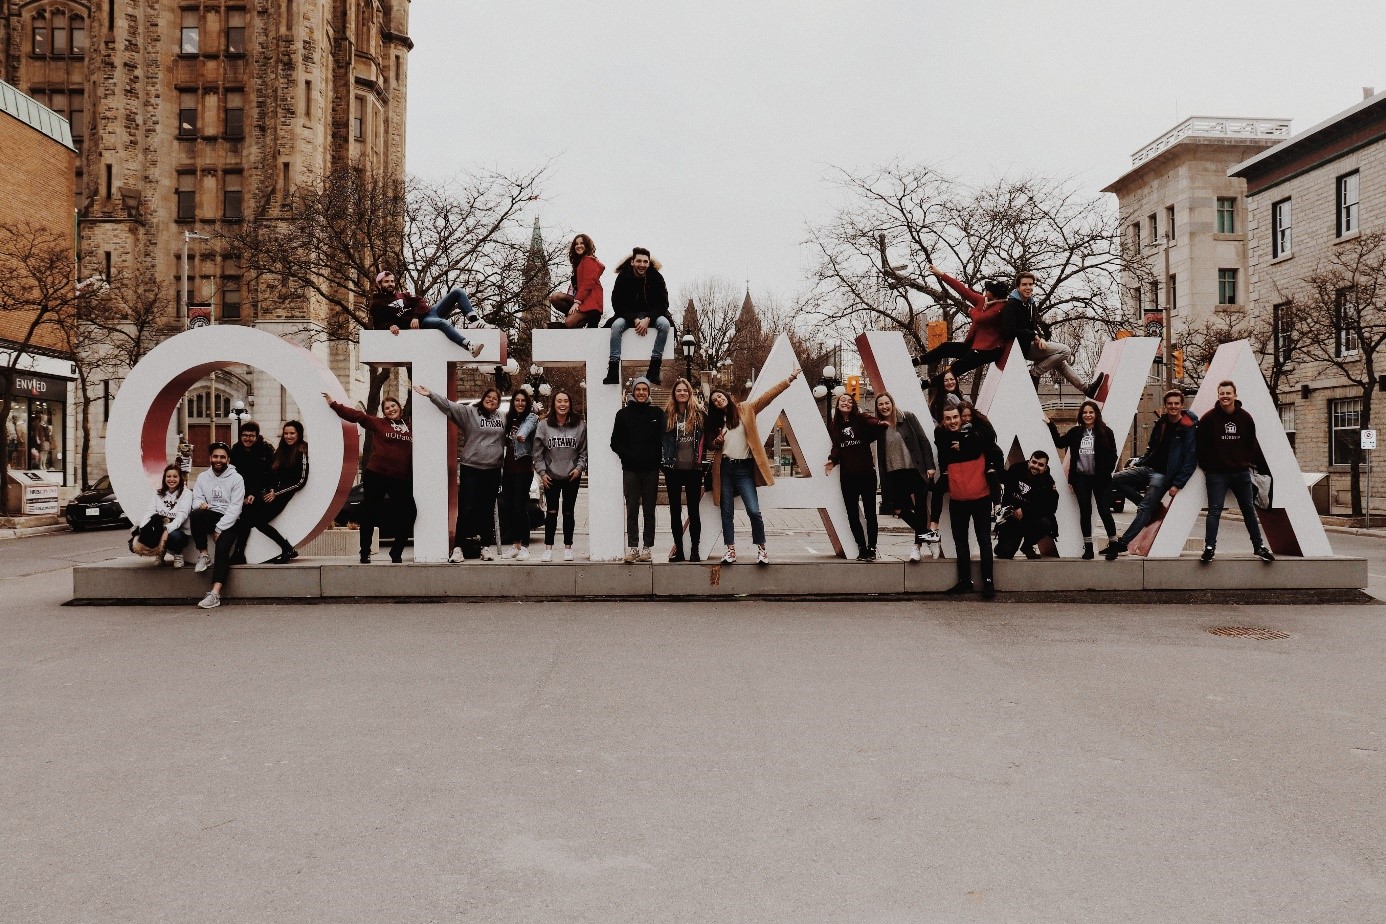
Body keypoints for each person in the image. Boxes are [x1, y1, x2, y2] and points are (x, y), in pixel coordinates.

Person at [707, 369, 801, 565]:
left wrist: (788, 379)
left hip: (744, 470)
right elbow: (710, 445)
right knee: (726, 512)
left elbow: (768, 397)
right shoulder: (716, 422)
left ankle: (762, 550)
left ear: (727, 396)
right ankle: (731, 551)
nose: (718, 400)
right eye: (714, 400)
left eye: (720, 396)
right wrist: (716, 441)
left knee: (753, 510)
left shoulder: (746, 409)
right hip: (725, 468)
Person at [414, 383, 506, 562]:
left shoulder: (503, 417)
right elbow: (449, 406)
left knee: (487, 510)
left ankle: (486, 547)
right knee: (467, 508)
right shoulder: (470, 413)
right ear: (483, 398)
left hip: (493, 470)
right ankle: (458, 548)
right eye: (488, 397)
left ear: (498, 403)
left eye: (495, 399)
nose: (491, 400)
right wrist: (431, 394)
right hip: (471, 468)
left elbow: (521, 419)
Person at [1104, 389, 1199, 560]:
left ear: (1182, 405)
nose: (1173, 406)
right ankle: (1147, 506)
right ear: (1165, 405)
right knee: (1112, 480)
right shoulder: (1162, 422)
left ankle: (1122, 543)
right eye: (1170, 403)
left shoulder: (1188, 428)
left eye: (1176, 403)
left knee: (1143, 510)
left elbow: (1190, 460)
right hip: (1147, 468)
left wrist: (1178, 484)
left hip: (1163, 475)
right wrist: (1140, 462)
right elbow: (1151, 447)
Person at [326, 392, 414, 564]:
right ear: (384, 412)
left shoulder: (410, 427)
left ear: (399, 408)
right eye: (387, 408)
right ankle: (365, 551)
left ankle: (396, 551)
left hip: (399, 478)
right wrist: (333, 404)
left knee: (410, 512)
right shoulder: (379, 423)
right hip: (377, 474)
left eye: (393, 406)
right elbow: (357, 416)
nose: (390, 409)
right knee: (369, 513)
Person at [1196, 380, 1274, 563]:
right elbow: (1199, 446)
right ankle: (1209, 548)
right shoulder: (1208, 418)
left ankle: (1258, 546)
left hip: (1240, 473)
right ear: (1218, 395)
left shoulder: (1245, 418)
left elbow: (1251, 445)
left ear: (1235, 395)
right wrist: (1208, 466)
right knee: (1214, 511)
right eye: (1221, 393)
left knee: (1248, 510)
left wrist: (1244, 462)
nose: (1225, 396)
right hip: (1216, 474)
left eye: (1228, 393)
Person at [1001, 271, 1106, 397]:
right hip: (1019, 348)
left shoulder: (1029, 304)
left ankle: (1087, 389)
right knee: (1065, 351)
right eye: (1024, 284)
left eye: (1030, 284)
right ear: (1017, 287)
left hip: (1029, 344)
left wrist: (1041, 339)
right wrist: (1033, 336)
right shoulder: (1011, 305)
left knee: (1059, 362)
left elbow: (1036, 324)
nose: (1028, 287)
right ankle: (1034, 373)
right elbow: (1009, 331)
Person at [935, 404, 1001, 598]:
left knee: (984, 541)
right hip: (957, 499)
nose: (952, 421)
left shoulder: (976, 434)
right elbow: (941, 438)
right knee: (960, 543)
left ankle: (988, 583)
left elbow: (988, 435)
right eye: (948, 418)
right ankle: (965, 582)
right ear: (943, 421)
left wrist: (965, 441)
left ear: (962, 418)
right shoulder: (943, 437)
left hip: (981, 497)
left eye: (955, 417)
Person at [825, 392, 888, 560]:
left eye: (848, 400)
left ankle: (872, 548)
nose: (845, 402)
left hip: (867, 474)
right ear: (837, 405)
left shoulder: (860, 419)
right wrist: (832, 460)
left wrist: (880, 423)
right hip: (847, 477)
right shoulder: (834, 426)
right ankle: (862, 547)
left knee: (870, 514)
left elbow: (873, 423)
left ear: (853, 404)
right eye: (842, 400)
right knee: (852, 514)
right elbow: (837, 446)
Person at [873, 393, 935, 562]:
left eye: (887, 403)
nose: (884, 407)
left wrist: (930, 465)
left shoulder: (907, 417)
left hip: (914, 469)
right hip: (894, 473)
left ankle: (917, 547)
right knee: (899, 509)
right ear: (877, 408)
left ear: (892, 403)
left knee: (921, 507)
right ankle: (928, 535)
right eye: (880, 404)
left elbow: (923, 441)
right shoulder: (879, 426)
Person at [1052, 400, 1119, 559]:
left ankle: (1114, 546)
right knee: (1085, 511)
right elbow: (1059, 443)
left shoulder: (1106, 431)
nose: (1088, 415)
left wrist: (1106, 472)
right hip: (1081, 478)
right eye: (1085, 413)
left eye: (1091, 412)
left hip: (1101, 479)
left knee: (1104, 511)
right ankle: (1088, 547)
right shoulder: (1076, 432)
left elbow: (1113, 455)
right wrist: (1051, 425)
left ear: (1096, 414)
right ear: (1081, 416)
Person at [913, 267, 1008, 378]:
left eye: (988, 291)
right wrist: (941, 274)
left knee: (957, 368)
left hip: (987, 349)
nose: (985, 293)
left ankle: (928, 384)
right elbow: (963, 290)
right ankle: (916, 361)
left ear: (995, 295)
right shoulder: (983, 301)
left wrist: (971, 311)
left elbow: (979, 318)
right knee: (945, 347)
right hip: (972, 345)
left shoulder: (1000, 307)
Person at [611, 376, 665, 562]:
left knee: (649, 510)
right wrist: (628, 456)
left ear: (649, 392)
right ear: (633, 391)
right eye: (638, 389)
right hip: (631, 470)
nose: (641, 392)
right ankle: (633, 547)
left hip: (651, 469)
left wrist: (657, 460)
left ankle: (647, 547)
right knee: (632, 509)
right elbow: (615, 442)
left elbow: (663, 440)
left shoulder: (657, 413)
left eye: (644, 389)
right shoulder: (623, 414)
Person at [370, 270, 484, 358]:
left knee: (458, 292)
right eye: (386, 282)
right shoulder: (377, 304)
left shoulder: (402, 295)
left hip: (429, 312)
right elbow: (378, 324)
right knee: (442, 323)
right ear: (379, 284)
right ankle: (468, 345)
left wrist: (415, 316)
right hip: (423, 322)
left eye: (392, 281)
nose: (390, 284)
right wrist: (390, 326)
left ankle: (474, 320)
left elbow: (421, 301)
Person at [239, 421, 308, 564]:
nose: (288, 436)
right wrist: (267, 489)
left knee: (259, 521)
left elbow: (300, 481)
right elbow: (271, 474)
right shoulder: (281, 451)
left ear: (299, 434)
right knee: (247, 512)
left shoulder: (301, 451)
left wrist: (277, 492)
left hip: (282, 496)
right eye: (286, 433)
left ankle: (287, 548)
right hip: (271, 493)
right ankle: (239, 552)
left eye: (292, 433)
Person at [533, 390, 587, 562]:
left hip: (572, 474)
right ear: (553, 404)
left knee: (569, 512)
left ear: (570, 404)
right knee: (551, 511)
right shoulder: (543, 425)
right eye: (559, 401)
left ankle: (568, 548)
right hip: (551, 476)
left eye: (566, 401)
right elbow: (537, 452)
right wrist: (542, 472)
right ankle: (548, 548)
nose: (562, 404)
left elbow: (583, 451)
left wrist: (579, 468)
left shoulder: (579, 425)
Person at [190, 441, 245, 609]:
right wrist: (200, 504)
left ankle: (215, 593)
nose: (218, 460)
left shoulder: (236, 478)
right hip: (211, 514)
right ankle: (204, 554)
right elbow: (196, 498)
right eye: (215, 456)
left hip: (231, 520)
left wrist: (219, 529)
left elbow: (236, 508)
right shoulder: (202, 477)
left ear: (228, 459)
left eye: (222, 457)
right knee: (196, 514)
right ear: (210, 458)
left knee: (222, 548)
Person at [604, 247, 672, 385]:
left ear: (649, 263)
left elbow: (663, 304)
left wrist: (648, 319)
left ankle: (654, 369)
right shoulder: (623, 277)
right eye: (639, 261)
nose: (642, 264)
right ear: (632, 262)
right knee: (616, 326)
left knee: (665, 325)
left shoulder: (656, 277)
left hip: (651, 316)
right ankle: (613, 369)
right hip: (628, 315)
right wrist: (634, 319)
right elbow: (617, 303)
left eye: (645, 262)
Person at [662, 377, 706, 562]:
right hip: (673, 469)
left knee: (694, 511)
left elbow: (709, 437)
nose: (682, 393)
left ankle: (694, 550)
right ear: (674, 394)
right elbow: (659, 441)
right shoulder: (667, 415)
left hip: (693, 469)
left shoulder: (699, 414)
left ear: (690, 393)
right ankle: (679, 550)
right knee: (675, 511)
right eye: (679, 390)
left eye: (685, 391)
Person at [994, 451, 1060, 560]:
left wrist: (1025, 511)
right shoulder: (1016, 469)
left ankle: (1027, 546)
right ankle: (1003, 545)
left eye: (1040, 464)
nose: (1036, 466)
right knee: (1005, 553)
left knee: (1046, 523)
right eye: (1034, 462)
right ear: (1029, 461)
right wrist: (1013, 510)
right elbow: (1007, 496)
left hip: (1030, 519)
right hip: (1011, 515)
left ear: (1045, 468)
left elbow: (1050, 508)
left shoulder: (1048, 482)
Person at [500, 389, 539, 560]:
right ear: (513, 402)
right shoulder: (508, 419)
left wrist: (522, 435)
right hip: (507, 469)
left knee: (520, 508)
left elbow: (526, 428)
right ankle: (515, 545)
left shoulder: (530, 418)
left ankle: (525, 546)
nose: (520, 403)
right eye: (517, 400)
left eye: (523, 400)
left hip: (523, 470)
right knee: (509, 508)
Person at [229, 421, 273, 564]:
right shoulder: (235, 451)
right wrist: (243, 496)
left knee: (248, 514)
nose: (248, 439)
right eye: (245, 435)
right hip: (241, 492)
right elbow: (233, 475)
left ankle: (239, 551)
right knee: (244, 514)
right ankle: (238, 552)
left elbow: (265, 475)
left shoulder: (265, 450)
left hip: (260, 490)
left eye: (251, 436)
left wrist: (253, 493)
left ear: (257, 436)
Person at [131, 465, 192, 567]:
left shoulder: (187, 493)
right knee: (143, 532)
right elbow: (150, 511)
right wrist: (143, 527)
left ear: (180, 478)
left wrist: (167, 530)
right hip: (160, 526)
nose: (171, 479)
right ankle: (160, 553)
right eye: (168, 476)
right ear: (164, 478)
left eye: (175, 476)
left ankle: (178, 554)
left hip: (177, 528)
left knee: (175, 536)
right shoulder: (158, 493)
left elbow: (182, 515)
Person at [550, 234, 605, 329]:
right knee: (555, 297)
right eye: (576, 244)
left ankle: (583, 318)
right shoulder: (579, 263)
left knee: (569, 323)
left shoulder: (589, 260)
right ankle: (575, 316)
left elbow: (588, 283)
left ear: (587, 245)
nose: (578, 246)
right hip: (579, 299)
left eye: (582, 243)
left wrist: (577, 302)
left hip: (589, 302)